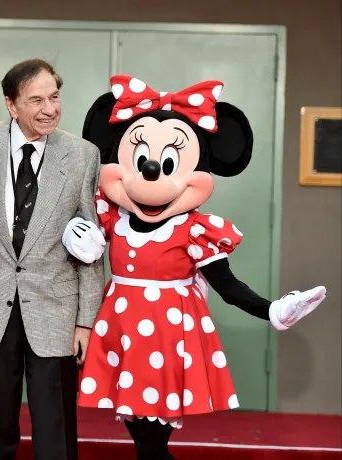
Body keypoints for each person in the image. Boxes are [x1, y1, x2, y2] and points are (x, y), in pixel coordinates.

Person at [62, 74, 327, 459]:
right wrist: (73, 234)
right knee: (141, 435)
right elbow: (79, 251)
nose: (152, 172)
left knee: (152, 441)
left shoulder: (194, 229)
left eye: (169, 162)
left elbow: (227, 284)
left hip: (167, 339)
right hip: (121, 334)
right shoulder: (112, 216)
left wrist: (270, 309)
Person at [0, 59, 105, 460]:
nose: (49, 108)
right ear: (10, 104)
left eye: (54, 97)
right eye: (36, 100)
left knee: (56, 431)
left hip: (54, 308)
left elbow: (91, 244)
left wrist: (86, 320)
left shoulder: (83, 155)